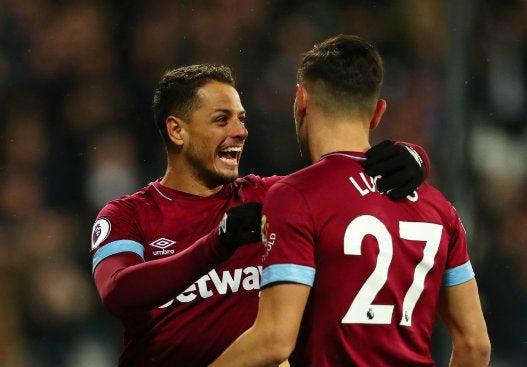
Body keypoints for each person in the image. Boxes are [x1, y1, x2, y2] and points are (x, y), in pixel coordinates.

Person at [90, 63, 430, 367]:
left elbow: (345, 181)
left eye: (242, 119)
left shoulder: (271, 197)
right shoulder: (129, 214)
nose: (240, 131)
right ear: (178, 131)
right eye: (222, 119)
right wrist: (216, 245)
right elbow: (118, 293)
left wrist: (413, 158)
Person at [209, 35, 491, 367]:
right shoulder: (439, 208)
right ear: (378, 113)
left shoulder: (296, 196)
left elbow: (273, 340)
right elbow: (475, 345)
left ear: (301, 101)